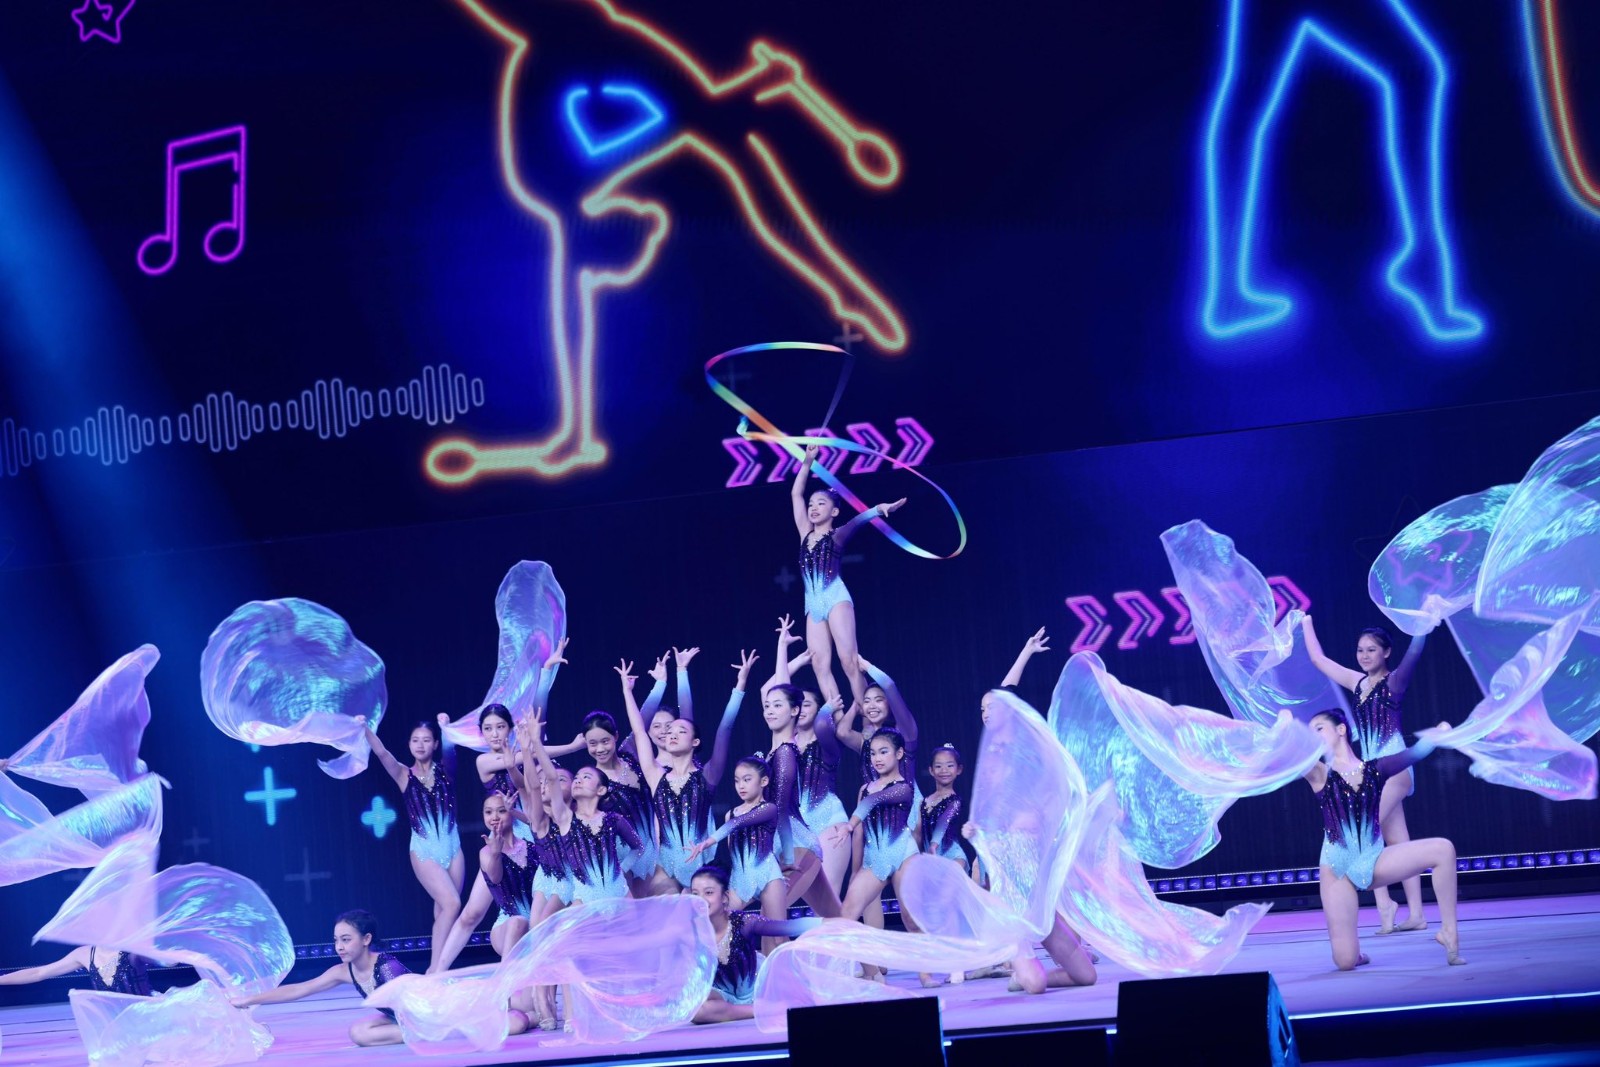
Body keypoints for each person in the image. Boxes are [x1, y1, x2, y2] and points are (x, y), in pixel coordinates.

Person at [1304, 710, 1464, 970]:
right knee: (1345, 962)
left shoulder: (1375, 770)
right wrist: (1283, 727)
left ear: (1341, 730)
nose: (1313, 736)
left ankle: (1449, 932)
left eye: (1319, 728)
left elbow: (1415, 752)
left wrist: (1438, 733)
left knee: (1443, 849)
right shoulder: (1320, 773)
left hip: (1374, 861)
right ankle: (1356, 954)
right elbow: (1288, 756)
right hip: (1337, 870)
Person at [233, 910, 531, 1045]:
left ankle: (522, 1011)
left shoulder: (387, 969)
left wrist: (440, 1022)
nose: (339, 947)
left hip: (439, 1008)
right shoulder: (344, 971)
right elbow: (299, 989)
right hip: (409, 1020)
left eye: (346, 940)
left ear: (366, 940)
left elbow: (423, 1005)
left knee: (516, 1022)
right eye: (336, 940)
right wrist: (247, 999)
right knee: (359, 1033)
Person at [1302, 616, 1429, 933]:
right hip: (1370, 773)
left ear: (1386, 652)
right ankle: (1413, 913)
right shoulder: (1357, 684)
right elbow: (1319, 660)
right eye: (1360, 650)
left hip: (1393, 769)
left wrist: (1422, 627)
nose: (1365, 655)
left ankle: (1386, 906)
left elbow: (1414, 655)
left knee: (1363, 832)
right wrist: (1305, 622)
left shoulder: (1393, 683)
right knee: (1396, 841)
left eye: (1371, 650)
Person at [617, 654, 750, 892]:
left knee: (699, 906)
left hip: (701, 864)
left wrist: (740, 686)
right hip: (666, 865)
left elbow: (725, 728)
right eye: (669, 732)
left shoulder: (707, 776)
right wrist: (627, 691)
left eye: (680, 731)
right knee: (662, 907)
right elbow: (639, 731)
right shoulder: (656, 775)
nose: (671, 734)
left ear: (695, 742)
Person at [791, 443, 905, 717]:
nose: (813, 508)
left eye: (821, 504)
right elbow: (796, 493)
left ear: (834, 512)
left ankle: (868, 718)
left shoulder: (837, 536)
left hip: (836, 598)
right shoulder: (804, 533)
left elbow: (858, 521)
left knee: (849, 662)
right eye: (811, 504)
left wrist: (878, 509)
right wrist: (807, 461)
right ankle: (838, 719)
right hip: (813, 605)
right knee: (819, 664)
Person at [364, 721, 462, 973]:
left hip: (453, 848)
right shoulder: (403, 774)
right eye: (415, 740)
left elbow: (451, 750)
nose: (420, 745)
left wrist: (446, 727)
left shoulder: (446, 770)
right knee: (452, 904)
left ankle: (440, 969)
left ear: (435, 744)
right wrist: (365, 728)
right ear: (409, 744)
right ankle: (436, 970)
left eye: (426, 740)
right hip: (423, 850)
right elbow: (382, 753)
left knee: (445, 912)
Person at [517, 711, 643, 904]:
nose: (578, 780)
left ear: (601, 790)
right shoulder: (566, 818)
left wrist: (622, 869)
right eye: (576, 777)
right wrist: (534, 742)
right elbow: (551, 778)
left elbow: (638, 847)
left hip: (621, 895)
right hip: (585, 901)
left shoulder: (613, 819)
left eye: (586, 777)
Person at [769, 615, 851, 896]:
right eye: (798, 704)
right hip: (794, 825)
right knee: (792, 898)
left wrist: (828, 709)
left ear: (818, 709)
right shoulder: (784, 741)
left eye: (808, 705)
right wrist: (784, 651)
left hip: (828, 821)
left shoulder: (826, 743)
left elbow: (824, 726)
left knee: (830, 897)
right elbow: (777, 693)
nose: (802, 708)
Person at [687, 865, 820, 1023]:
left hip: (759, 989)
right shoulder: (691, 933)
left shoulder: (743, 922)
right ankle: (763, 1010)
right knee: (695, 1009)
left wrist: (825, 922)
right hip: (725, 995)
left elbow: (788, 927)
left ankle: (763, 1007)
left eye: (708, 893)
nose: (701, 899)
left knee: (792, 985)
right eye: (695, 894)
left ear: (724, 897)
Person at [0, 946, 152, 996]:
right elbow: (39, 973)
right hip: (113, 1026)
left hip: (145, 1021)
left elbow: (163, 959)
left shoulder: (133, 951)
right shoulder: (84, 954)